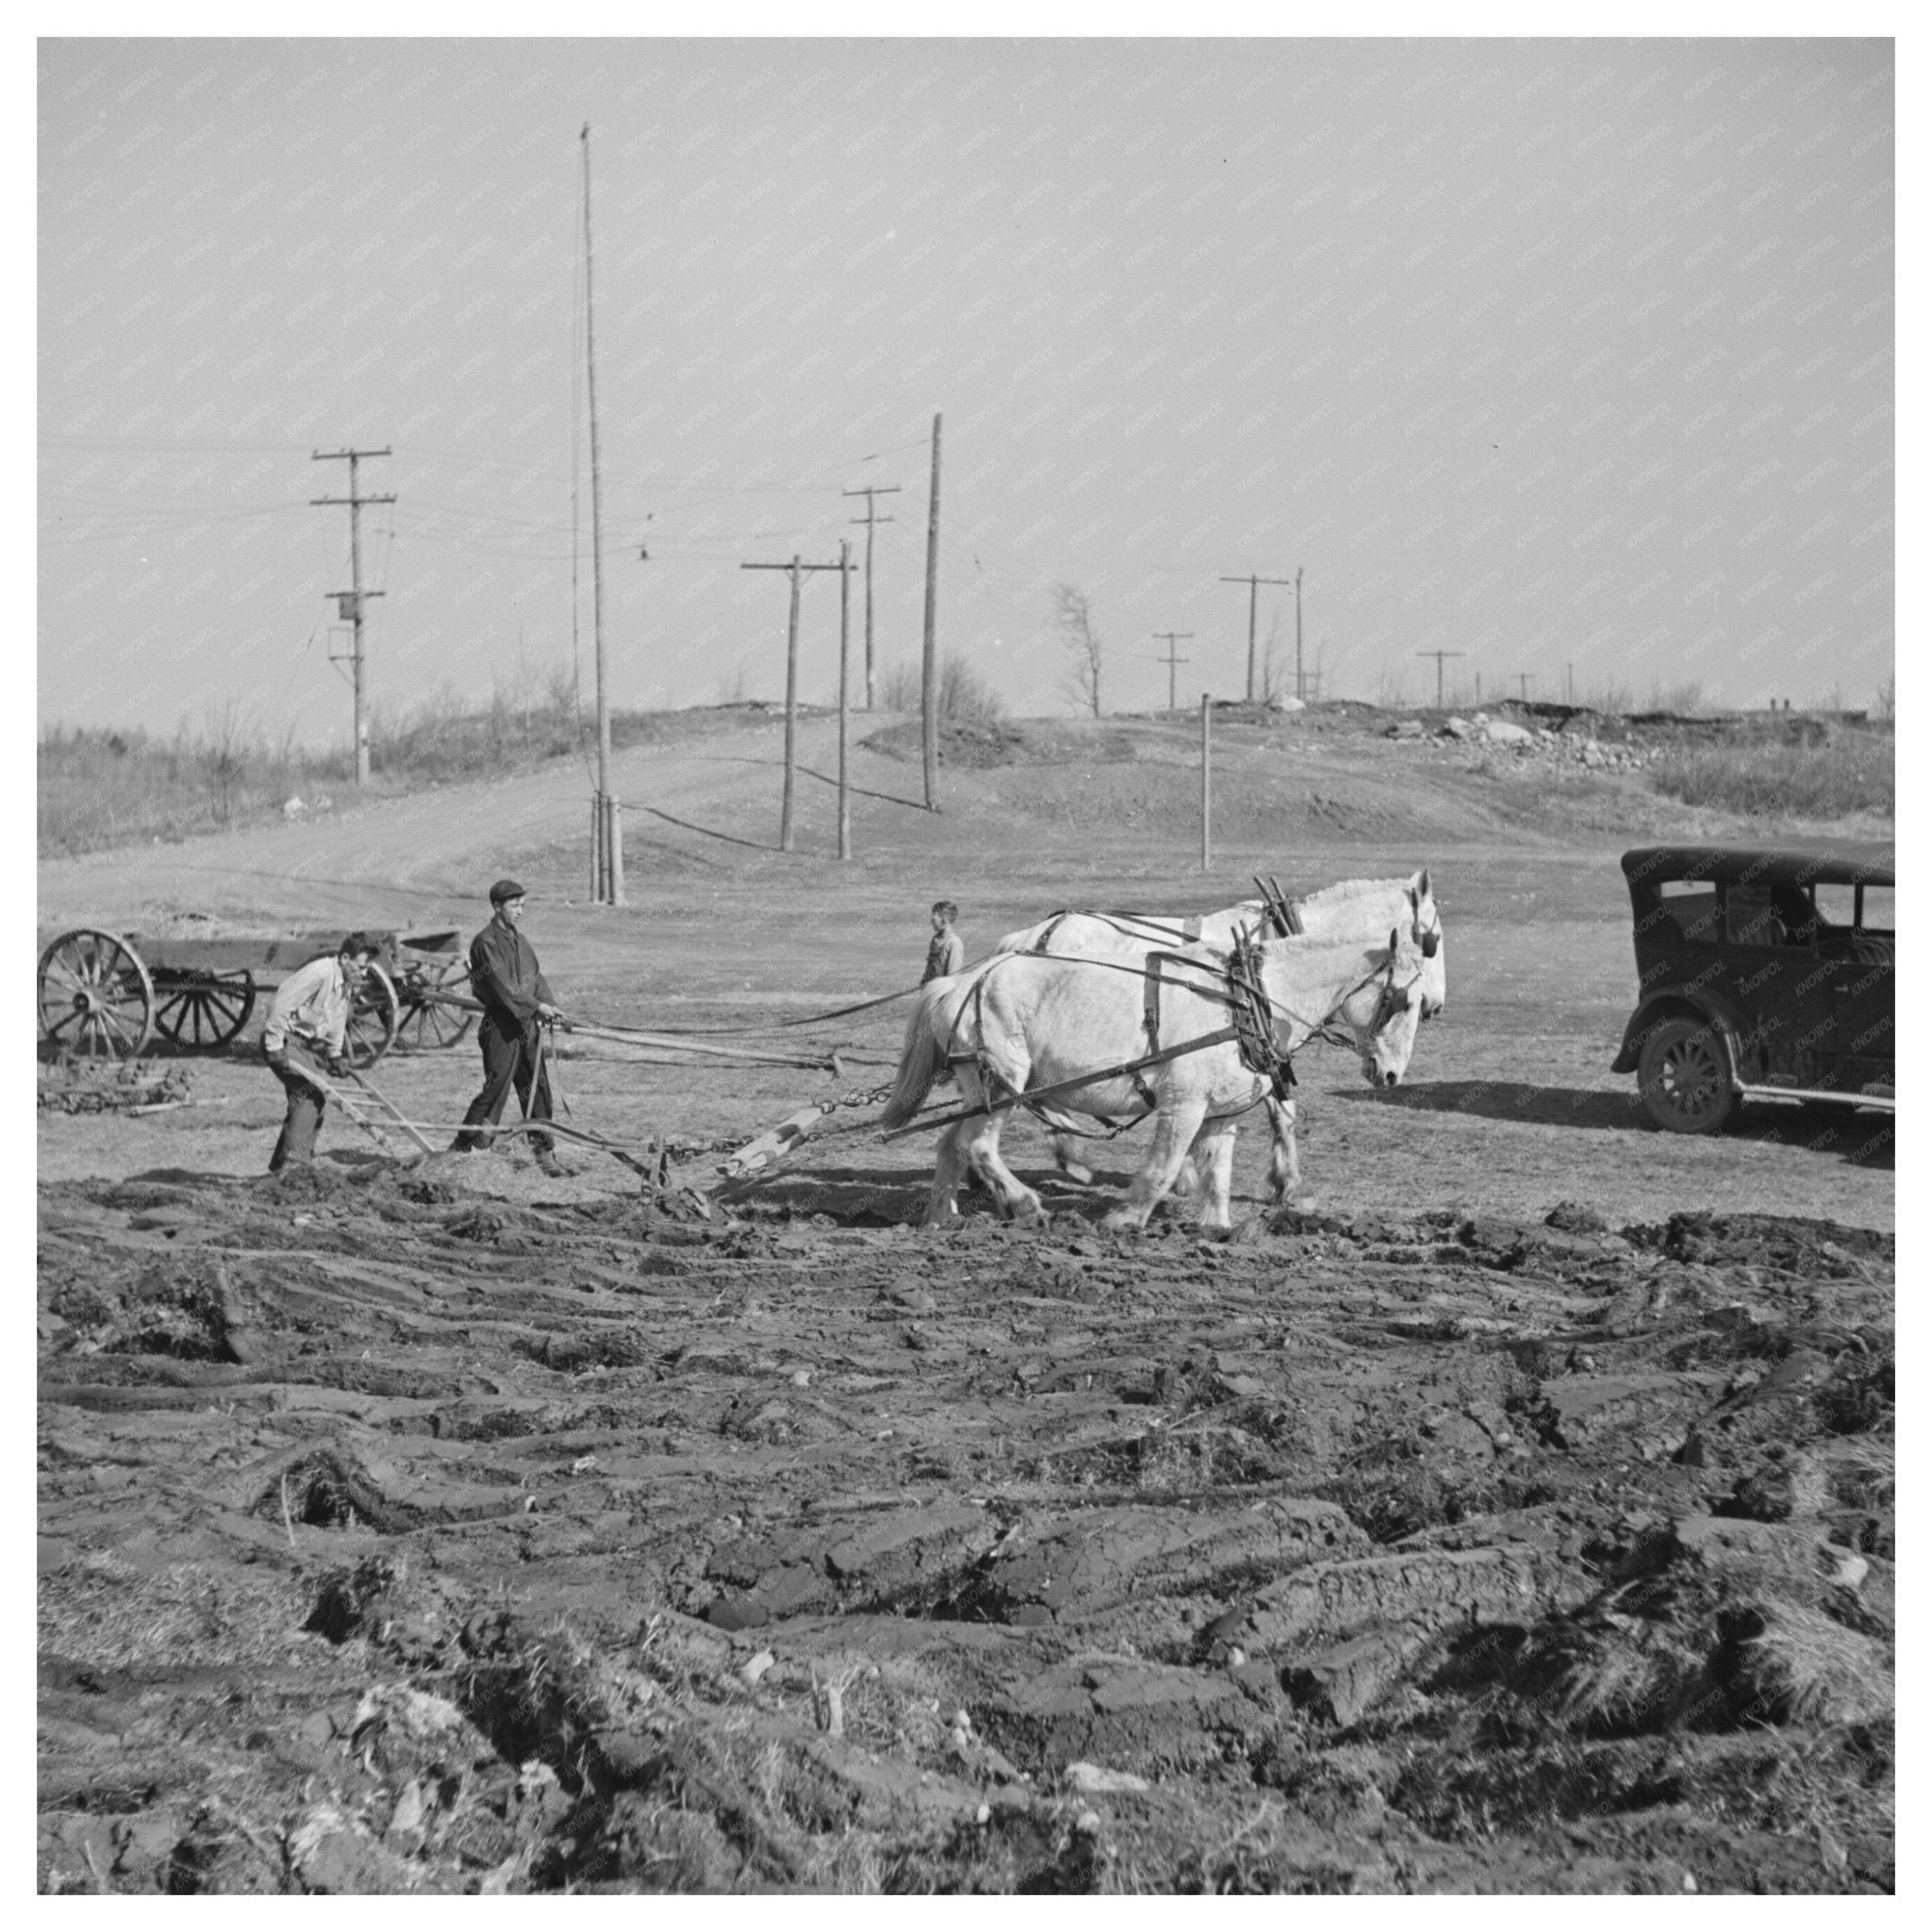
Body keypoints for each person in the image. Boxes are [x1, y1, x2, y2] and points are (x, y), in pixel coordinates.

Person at [452, 879, 572, 1177]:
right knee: (496, 1089)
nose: (520, 911)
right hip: (500, 1028)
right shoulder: (485, 943)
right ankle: (461, 1147)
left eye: (522, 905)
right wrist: (535, 1007)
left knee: (538, 1090)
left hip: (528, 1027)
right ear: (496, 906)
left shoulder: (522, 941)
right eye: (514, 906)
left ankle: (544, 1154)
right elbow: (503, 987)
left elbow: (536, 979)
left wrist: (549, 1005)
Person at [261, 931, 382, 1173]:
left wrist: (335, 1054)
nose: (364, 972)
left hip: (303, 1044)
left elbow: (337, 1019)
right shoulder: (320, 972)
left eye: (367, 967)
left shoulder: (345, 981)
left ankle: (281, 1169)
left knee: (307, 1100)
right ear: (345, 957)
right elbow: (282, 1001)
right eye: (361, 966)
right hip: (284, 1039)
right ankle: (295, 1167)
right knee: (310, 1096)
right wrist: (274, 1046)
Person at [923, 900, 965, 984]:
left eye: (934, 918)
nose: (931, 921)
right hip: (930, 990)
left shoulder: (954, 942)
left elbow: (953, 975)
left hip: (944, 992)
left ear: (944, 920)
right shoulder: (935, 939)